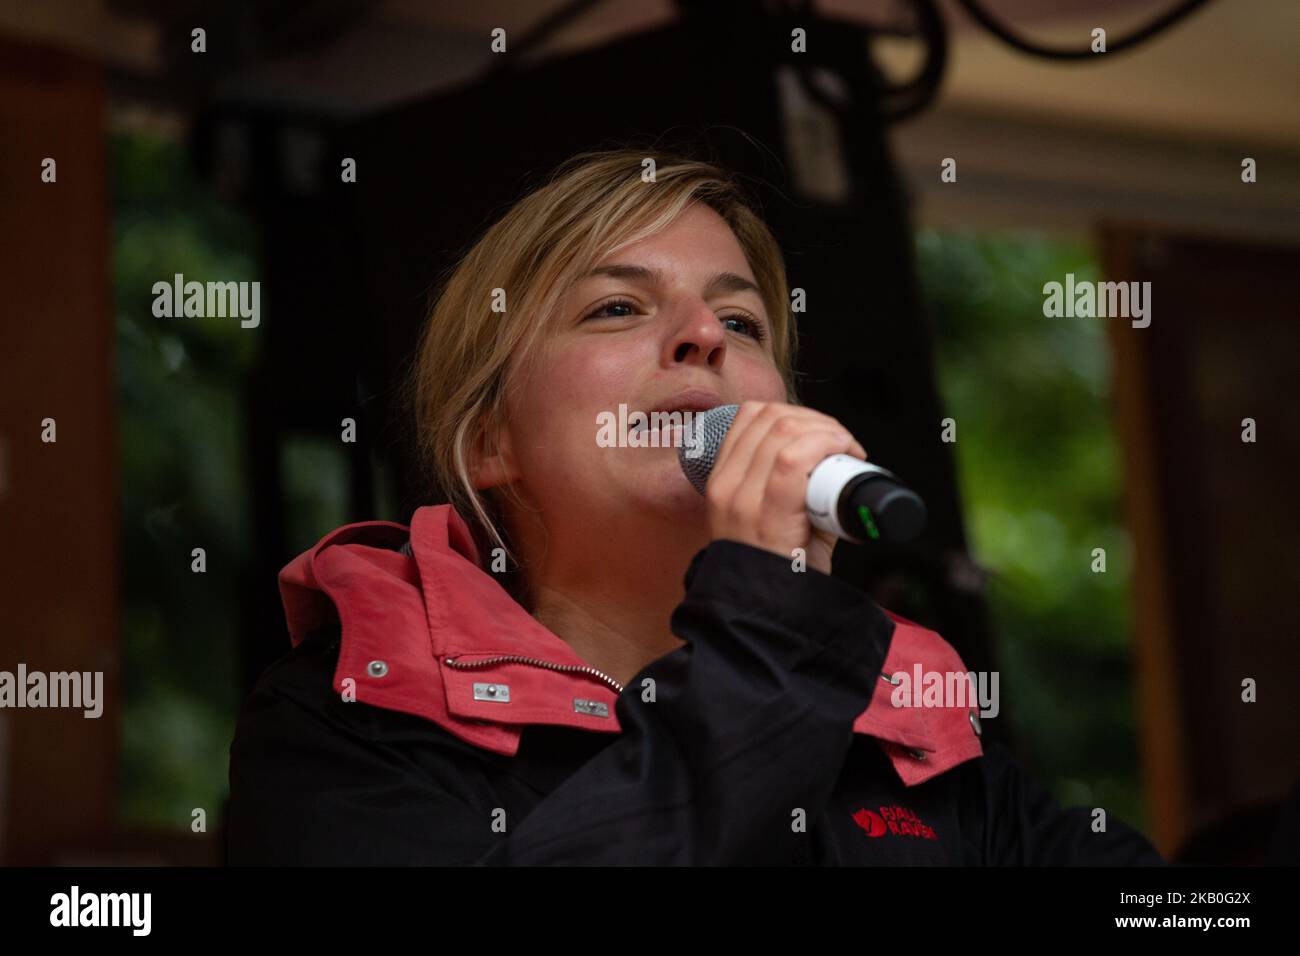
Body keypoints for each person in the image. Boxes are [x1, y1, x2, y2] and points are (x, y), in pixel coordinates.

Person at [226, 148, 1165, 865]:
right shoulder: (348, 717)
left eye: (744, 322)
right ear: (490, 444)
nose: (704, 337)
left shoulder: (899, 723)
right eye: (617, 309)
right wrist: (776, 628)